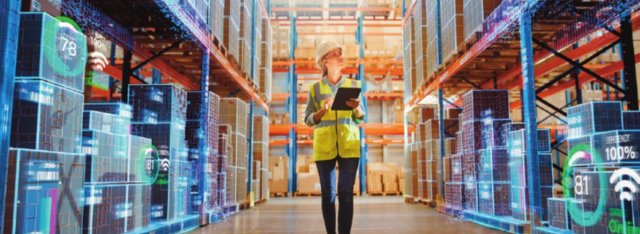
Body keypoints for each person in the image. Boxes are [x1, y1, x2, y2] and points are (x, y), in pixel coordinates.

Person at [304, 41, 365, 234]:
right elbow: (308, 119)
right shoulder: (315, 89)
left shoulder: (353, 84)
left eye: (340, 53)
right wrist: (322, 110)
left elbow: (361, 118)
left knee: (346, 194)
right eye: (334, 54)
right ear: (324, 61)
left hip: (349, 145)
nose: (340, 56)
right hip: (325, 147)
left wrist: (357, 108)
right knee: (328, 195)